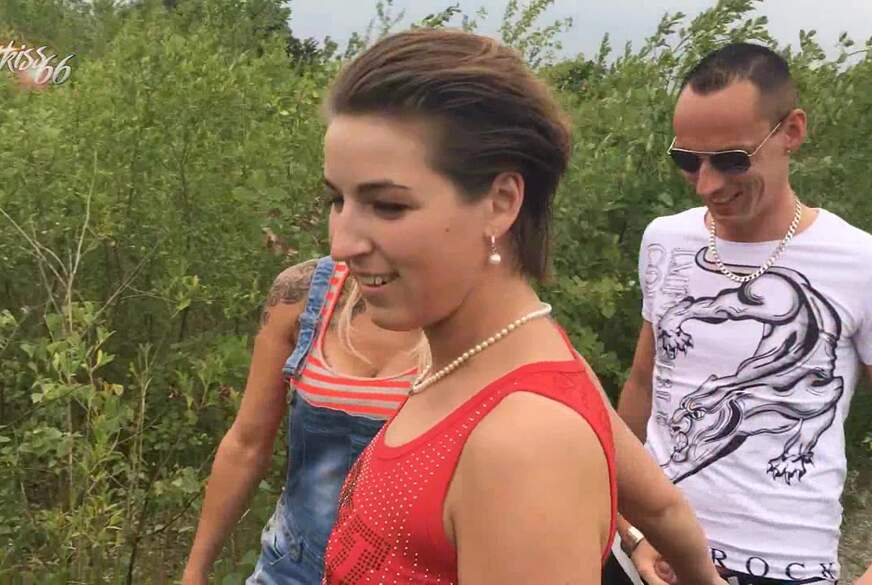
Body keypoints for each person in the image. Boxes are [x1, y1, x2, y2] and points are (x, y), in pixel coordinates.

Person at [182, 28, 726, 585]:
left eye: (388, 206)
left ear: (500, 203)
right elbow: (665, 509)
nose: (341, 243)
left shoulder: (525, 445)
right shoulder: (486, 363)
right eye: (337, 200)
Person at [615, 42, 872, 585]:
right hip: (651, 554)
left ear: (791, 131)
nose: (708, 184)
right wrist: (627, 526)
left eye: (732, 159)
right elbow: (644, 382)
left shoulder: (857, 260)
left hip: (782, 565)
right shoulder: (665, 239)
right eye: (688, 161)